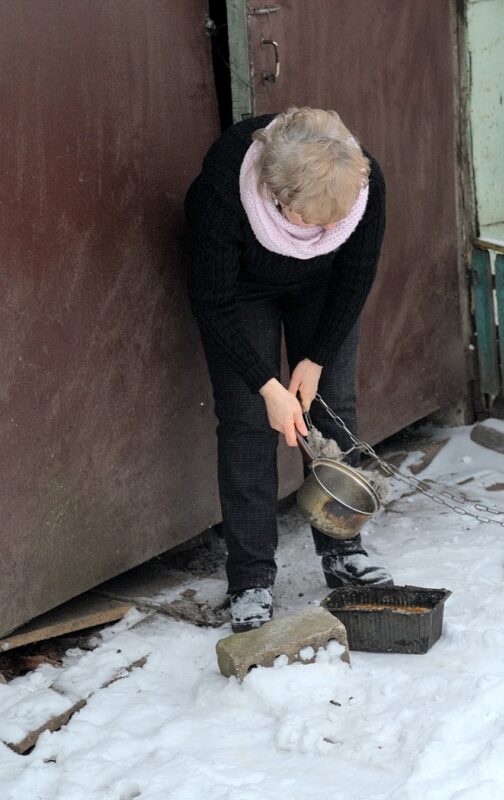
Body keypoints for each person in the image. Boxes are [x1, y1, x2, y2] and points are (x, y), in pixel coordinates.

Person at [185, 107, 392, 632]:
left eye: (333, 222)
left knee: (333, 409)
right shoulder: (226, 185)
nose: (323, 229)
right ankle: (251, 577)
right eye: (312, 220)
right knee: (248, 420)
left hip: (322, 289)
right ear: (276, 194)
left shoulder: (364, 180)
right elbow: (212, 301)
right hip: (241, 291)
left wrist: (317, 357)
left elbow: (356, 275)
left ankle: (343, 549)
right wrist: (266, 384)